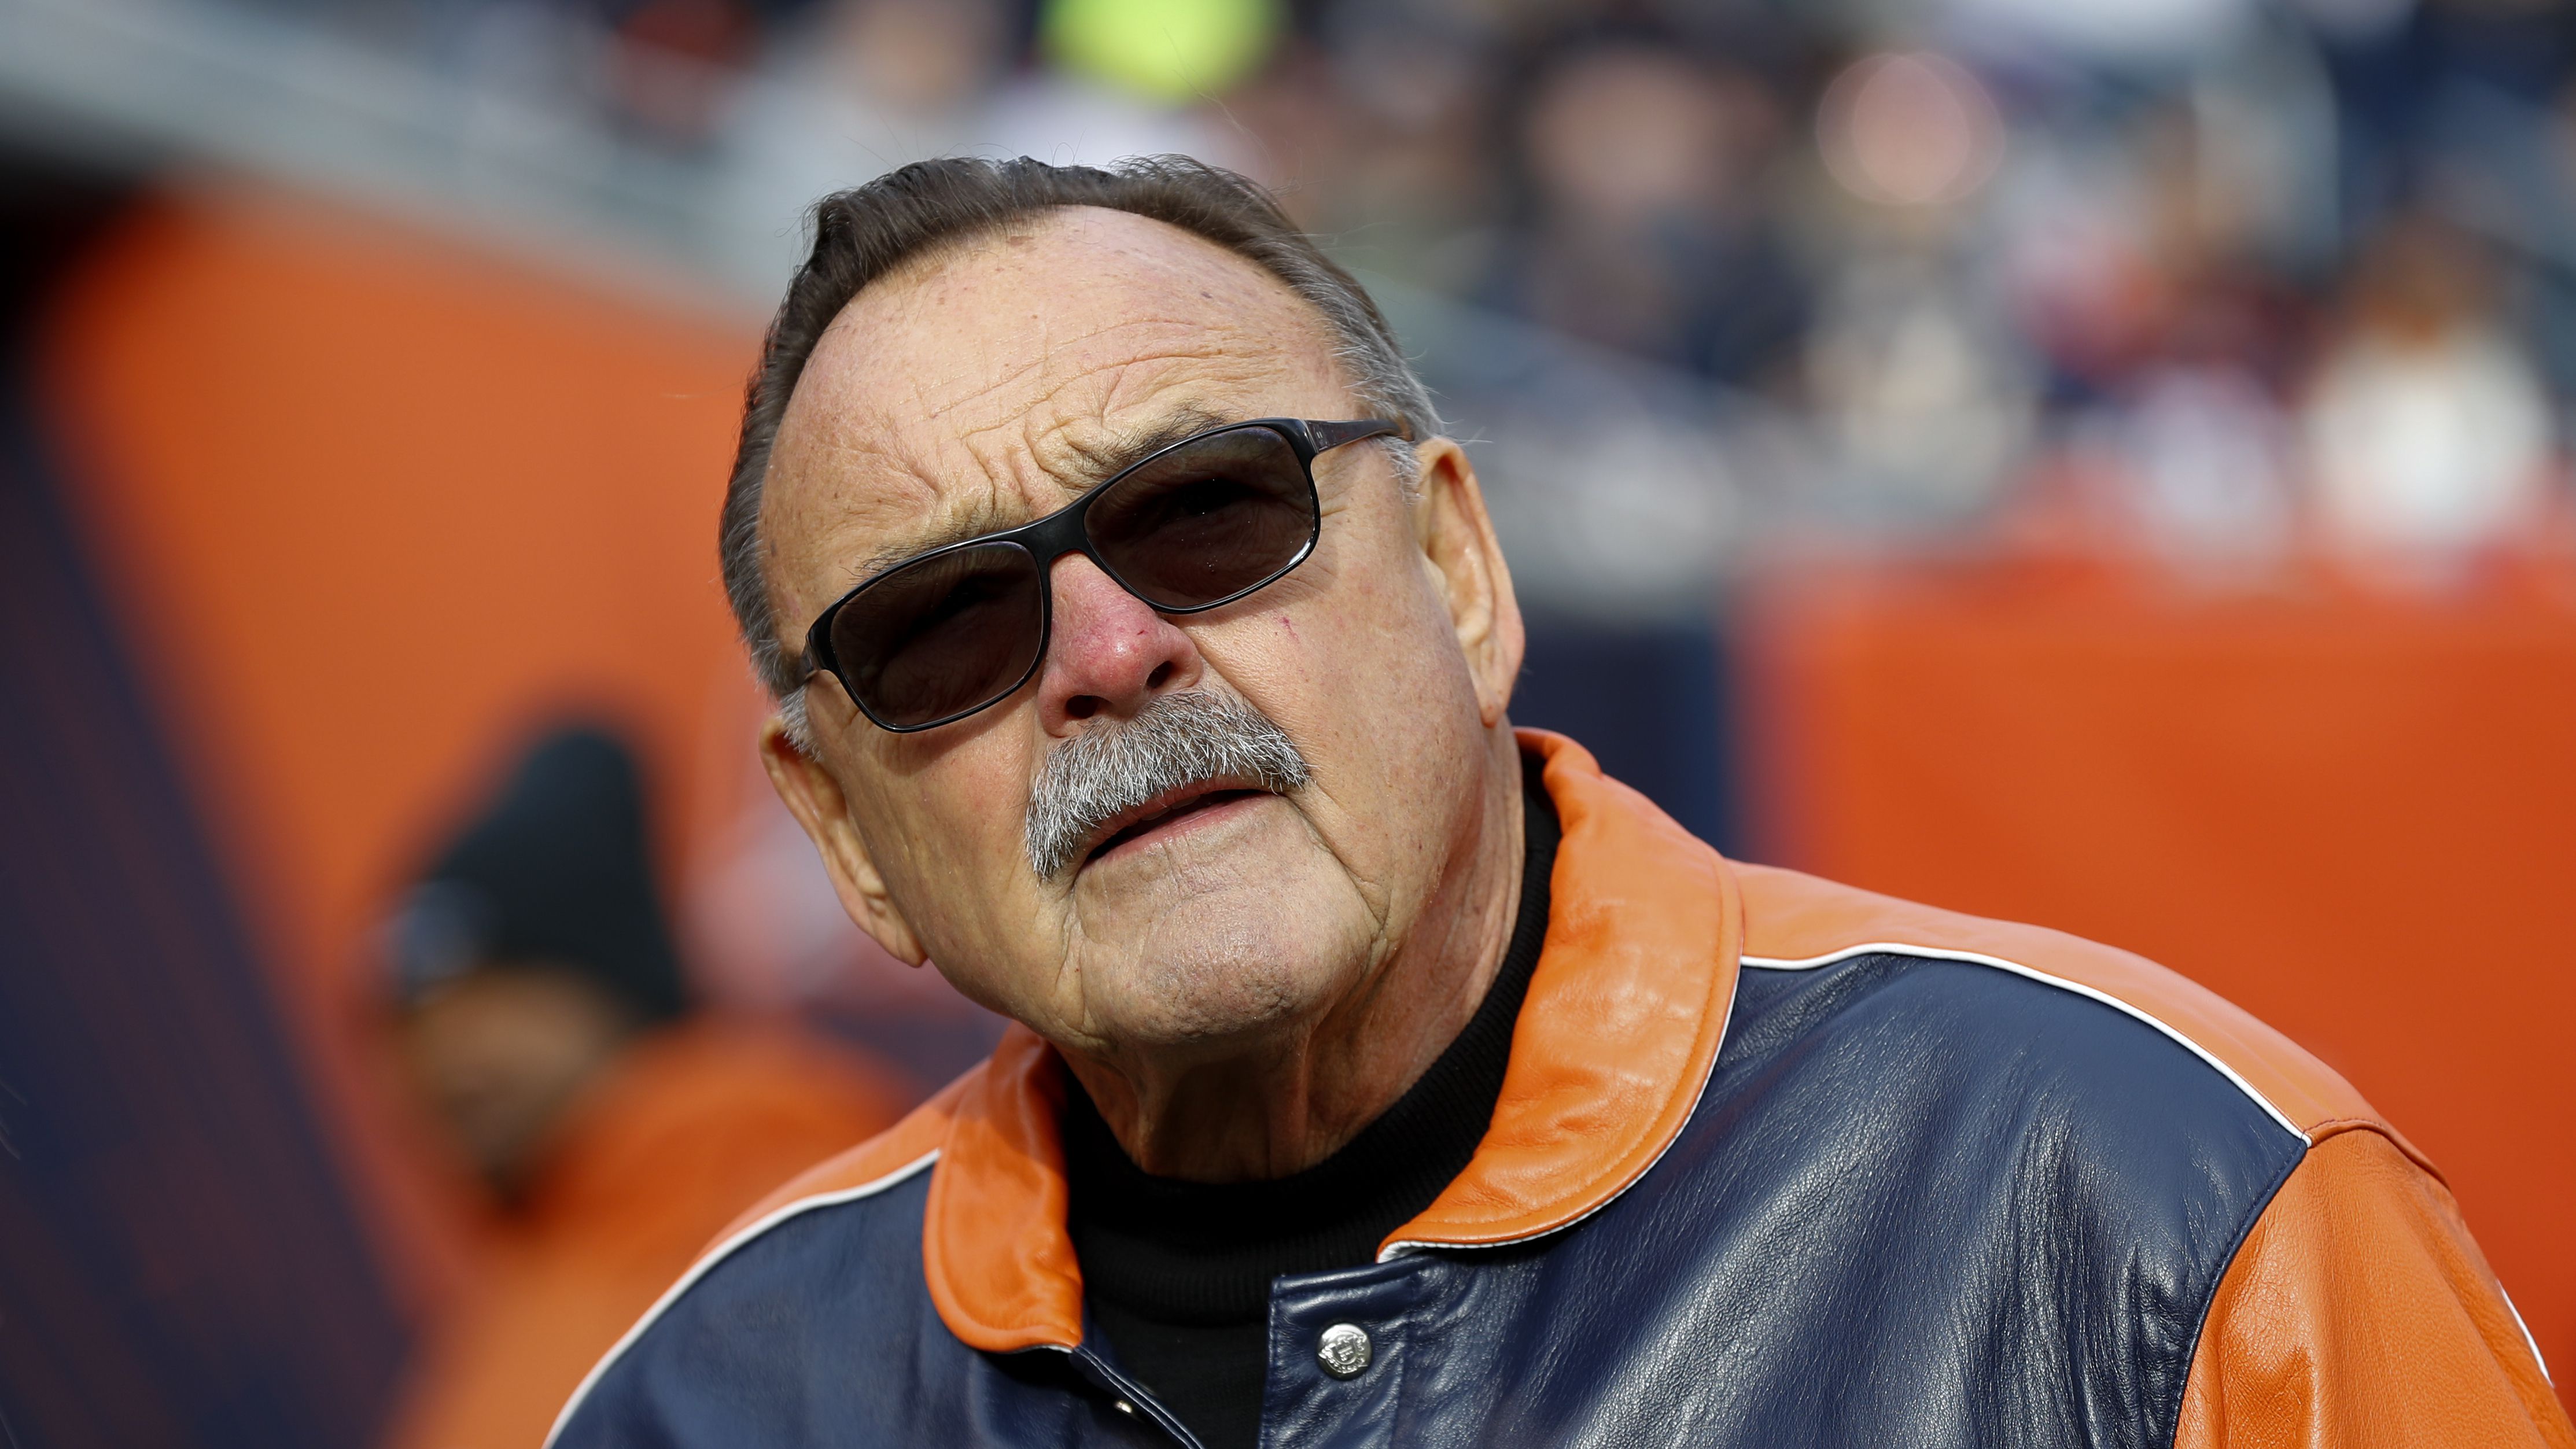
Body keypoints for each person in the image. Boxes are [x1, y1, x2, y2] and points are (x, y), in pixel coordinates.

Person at [547, 158, 2571, 1448]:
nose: (1104, 648)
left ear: (1455, 571)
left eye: (1206, 512)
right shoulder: (701, 1402)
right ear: (843, 838)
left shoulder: (2163, 1211)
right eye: (940, 632)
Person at [374, 726, 906, 1449]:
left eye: (489, 991)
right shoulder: (520, 1285)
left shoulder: (805, 1183)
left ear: (600, 973)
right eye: (411, 1026)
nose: (443, 1055)